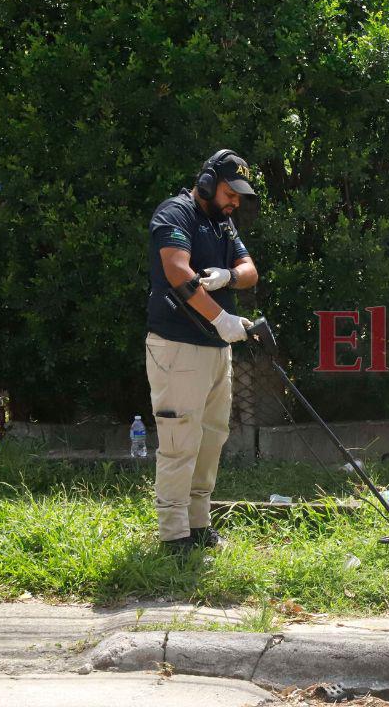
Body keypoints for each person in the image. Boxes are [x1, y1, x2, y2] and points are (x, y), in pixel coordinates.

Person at [145, 149, 259, 555]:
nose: (234, 202)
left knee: (212, 437)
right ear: (209, 182)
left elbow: (250, 272)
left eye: (238, 196)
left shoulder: (223, 223)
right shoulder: (175, 214)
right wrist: (221, 319)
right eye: (230, 192)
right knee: (180, 440)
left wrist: (228, 275)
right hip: (177, 347)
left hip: (215, 349)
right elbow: (177, 270)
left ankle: (198, 523)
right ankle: (173, 535)